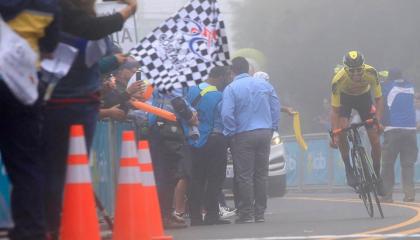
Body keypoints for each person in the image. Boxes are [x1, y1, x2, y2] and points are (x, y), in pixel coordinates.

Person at [42, 0, 137, 238]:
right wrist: (116, 59)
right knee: (75, 167)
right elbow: (95, 58)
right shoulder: (93, 29)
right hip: (80, 105)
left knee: (52, 168)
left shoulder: (46, 23)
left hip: (50, 103)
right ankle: (71, 223)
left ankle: (52, 226)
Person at [0, 1, 59, 239]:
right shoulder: (49, 7)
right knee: (26, 164)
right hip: (21, 89)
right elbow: (49, 51)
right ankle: (30, 230)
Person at [221, 57, 280, 223]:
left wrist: (231, 132)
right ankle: (260, 213)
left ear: (232, 71)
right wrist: (273, 127)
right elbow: (275, 107)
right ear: (248, 69)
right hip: (264, 132)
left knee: (245, 175)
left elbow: (226, 113)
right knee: (261, 174)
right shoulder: (264, 85)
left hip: (243, 134)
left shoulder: (231, 88)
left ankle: (246, 213)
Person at [330, 51, 384, 194]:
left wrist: (377, 119)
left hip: (364, 99)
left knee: (375, 141)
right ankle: (349, 169)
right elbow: (335, 111)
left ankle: (377, 176)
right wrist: (335, 133)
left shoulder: (371, 72)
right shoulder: (338, 80)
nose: (356, 75)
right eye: (352, 72)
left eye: (359, 70)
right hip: (345, 100)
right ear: (346, 70)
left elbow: (378, 99)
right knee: (342, 131)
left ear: (363, 67)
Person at [185, 66, 232, 226]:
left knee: (196, 179)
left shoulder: (191, 91)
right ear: (220, 77)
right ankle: (212, 215)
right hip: (215, 140)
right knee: (214, 179)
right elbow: (227, 117)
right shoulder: (220, 96)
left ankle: (196, 217)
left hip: (194, 140)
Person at [148, 87, 196, 229]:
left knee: (166, 176)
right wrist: (190, 117)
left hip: (162, 128)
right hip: (168, 130)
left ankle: (165, 214)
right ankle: (165, 216)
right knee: (168, 176)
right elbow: (177, 101)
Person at [380, 69, 418, 203]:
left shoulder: (387, 87)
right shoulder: (410, 86)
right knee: (408, 164)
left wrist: (380, 124)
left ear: (390, 77)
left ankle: (387, 195)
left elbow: (381, 105)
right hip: (410, 129)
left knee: (387, 163)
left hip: (393, 129)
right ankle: (409, 194)